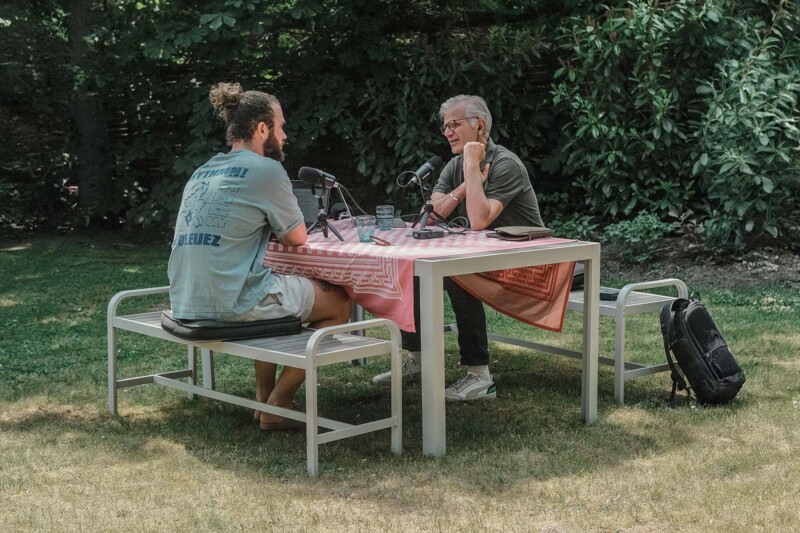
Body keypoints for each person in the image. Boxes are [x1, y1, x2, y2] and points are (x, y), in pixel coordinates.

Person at [167, 82, 351, 429]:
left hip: (186, 301)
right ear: (262, 128)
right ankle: (278, 404)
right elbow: (296, 237)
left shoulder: (203, 169)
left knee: (269, 284)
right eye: (281, 126)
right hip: (230, 304)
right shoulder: (267, 169)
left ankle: (263, 396)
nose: (285, 135)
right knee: (339, 302)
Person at [373, 94, 544, 401]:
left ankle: (480, 376)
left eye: (454, 124)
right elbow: (430, 214)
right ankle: (418, 359)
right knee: (412, 269)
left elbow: (478, 220)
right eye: (445, 126)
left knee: (456, 274)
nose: (447, 132)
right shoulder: (455, 165)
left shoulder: (506, 164)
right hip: (485, 259)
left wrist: (472, 165)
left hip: (529, 264)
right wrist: (466, 183)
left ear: (480, 126)